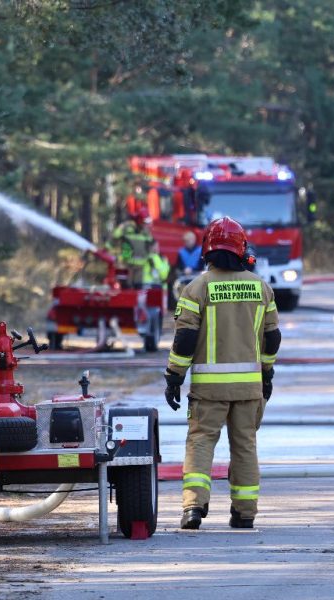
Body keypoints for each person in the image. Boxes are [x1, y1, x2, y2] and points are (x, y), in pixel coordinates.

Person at [163, 216, 282, 529]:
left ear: (207, 249)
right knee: (245, 445)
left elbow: (185, 338)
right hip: (248, 390)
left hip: (208, 391)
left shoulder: (196, 288)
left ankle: (193, 508)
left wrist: (174, 376)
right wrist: (266, 373)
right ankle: (244, 512)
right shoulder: (261, 288)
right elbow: (272, 338)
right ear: (242, 249)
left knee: (200, 442)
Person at [108, 207, 155, 287]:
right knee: (126, 286)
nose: (146, 224)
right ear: (140, 220)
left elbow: (150, 244)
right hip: (126, 263)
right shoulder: (126, 227)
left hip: (140, 265)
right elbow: (114, 238)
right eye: (145, 222)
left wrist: (150, 258)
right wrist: (111, 253)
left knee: (138, 287)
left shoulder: (145, 230)